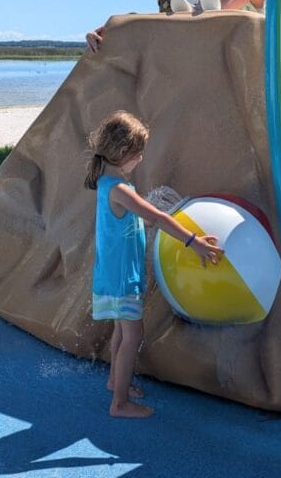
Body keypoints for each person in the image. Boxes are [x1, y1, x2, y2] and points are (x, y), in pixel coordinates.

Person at [85, 111, 223, 418]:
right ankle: (119, 403)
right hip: (122, 279)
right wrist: (194, 241)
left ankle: (114, 381)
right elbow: (158, 217)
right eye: (138, 153)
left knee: (122, 332)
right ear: (123, 153)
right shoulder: (119, 190)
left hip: (113, 275)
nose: (141, 158)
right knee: (133, 335)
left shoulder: (108, 182)